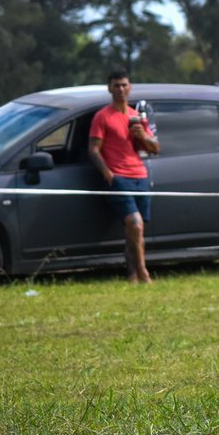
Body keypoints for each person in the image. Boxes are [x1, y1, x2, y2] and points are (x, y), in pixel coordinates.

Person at [89, 70, 160, 283]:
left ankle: (132, 274)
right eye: (116, 85)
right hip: (119, 177)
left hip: (140, 176)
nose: (120, 89)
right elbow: (93, 149)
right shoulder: (102, 116)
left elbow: (155, 148)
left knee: (135, 231)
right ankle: (143, 272)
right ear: (109, 88)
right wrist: (108, 174)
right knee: (135, 224)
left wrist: (142, 134)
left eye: (124, 85)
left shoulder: (135, 117)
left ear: (130, 87)